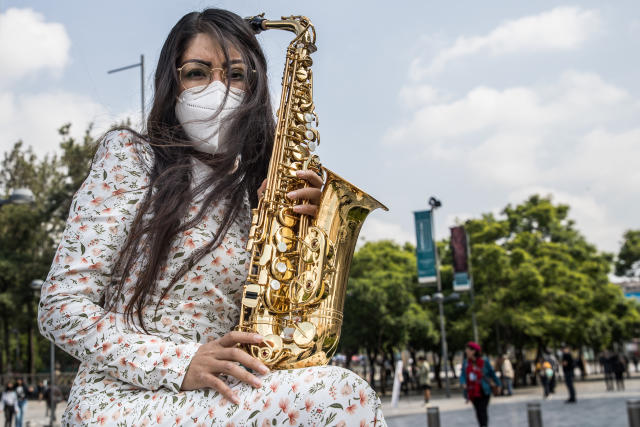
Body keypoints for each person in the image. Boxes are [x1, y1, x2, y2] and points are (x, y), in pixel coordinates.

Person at [37, 8, 385, 426]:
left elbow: (278, 328)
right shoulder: (130, 156)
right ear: (172, 81)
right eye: (198, 72)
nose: (220, 90)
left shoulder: (256, 191)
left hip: (219, 395)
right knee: (342, 395)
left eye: (237, 76)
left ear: (255, 89)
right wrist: (179, 361)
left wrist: (311, 232)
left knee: (338, 392)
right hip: (121, 399)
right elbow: (61, 307)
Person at [460, 342, 501, 427]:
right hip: (472, 391)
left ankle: (484, 425)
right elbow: (463, 375)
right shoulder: (466, 362)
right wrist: (463, 383)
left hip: (484, 389)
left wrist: (498, 384)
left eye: (468, 350)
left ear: (474, 351)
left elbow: (491, 373)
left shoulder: (484, 361)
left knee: (482, 410)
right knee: (478, 411)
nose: (466, 352)